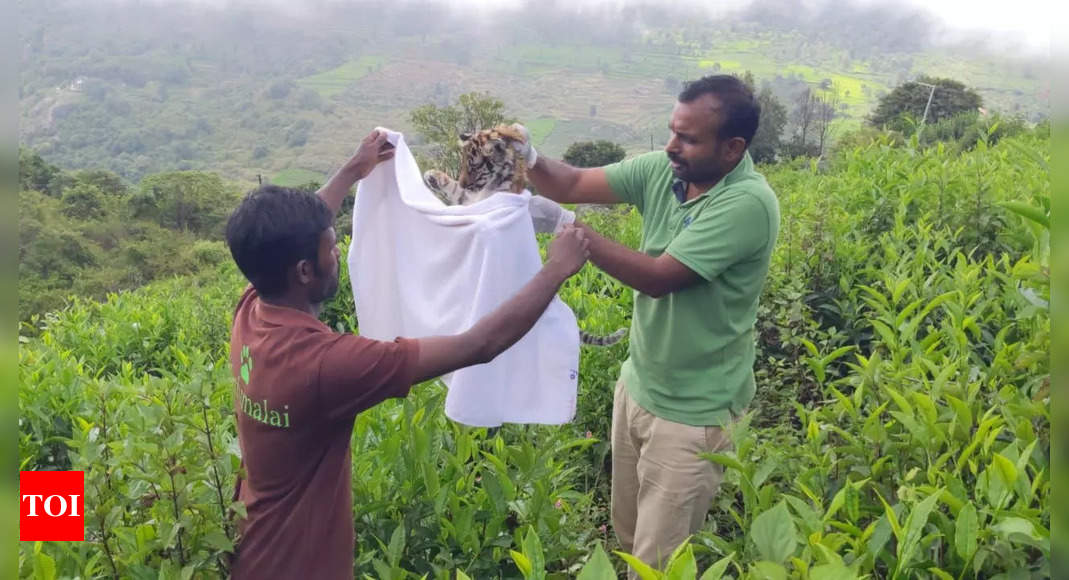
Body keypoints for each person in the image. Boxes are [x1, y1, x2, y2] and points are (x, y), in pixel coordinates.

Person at [223, 130, 590, 579]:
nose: (339, 250)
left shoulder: (253, 306)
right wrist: (556, 269)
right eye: (330, 244)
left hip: (246, 546)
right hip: (301, 566)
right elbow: (478, 345)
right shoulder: (326, 364)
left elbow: (284, 237)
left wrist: (355, 170)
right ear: (303, 270)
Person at [520, 75, 781, 570]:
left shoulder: (746, 204)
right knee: (629, 536)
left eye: (688, 138)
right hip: (638, 387)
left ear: (732, 149)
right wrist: (531, 160)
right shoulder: (665, 171)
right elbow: (572, 183)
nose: (672, 146)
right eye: (672, 131)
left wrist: (568, 230)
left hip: (694, 414)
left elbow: (660, 277)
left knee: (658, 562)